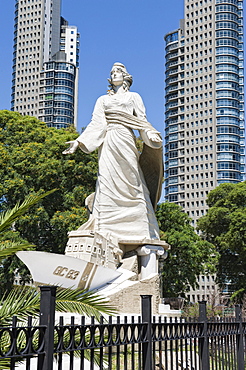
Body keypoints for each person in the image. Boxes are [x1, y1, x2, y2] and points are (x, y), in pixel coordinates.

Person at [63, 62, 163, 241]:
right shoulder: (103, 100)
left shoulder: (134, 97)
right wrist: (79, 142)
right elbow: (96, 123)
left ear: (125, 77)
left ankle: (139, 224)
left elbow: (142, 121)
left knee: (132, 179)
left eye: (118, 72)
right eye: (112, 72)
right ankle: (104, 224)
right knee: (107, 178)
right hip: (108, 141)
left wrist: (150, 135)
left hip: (125, 139)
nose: (115, 74)